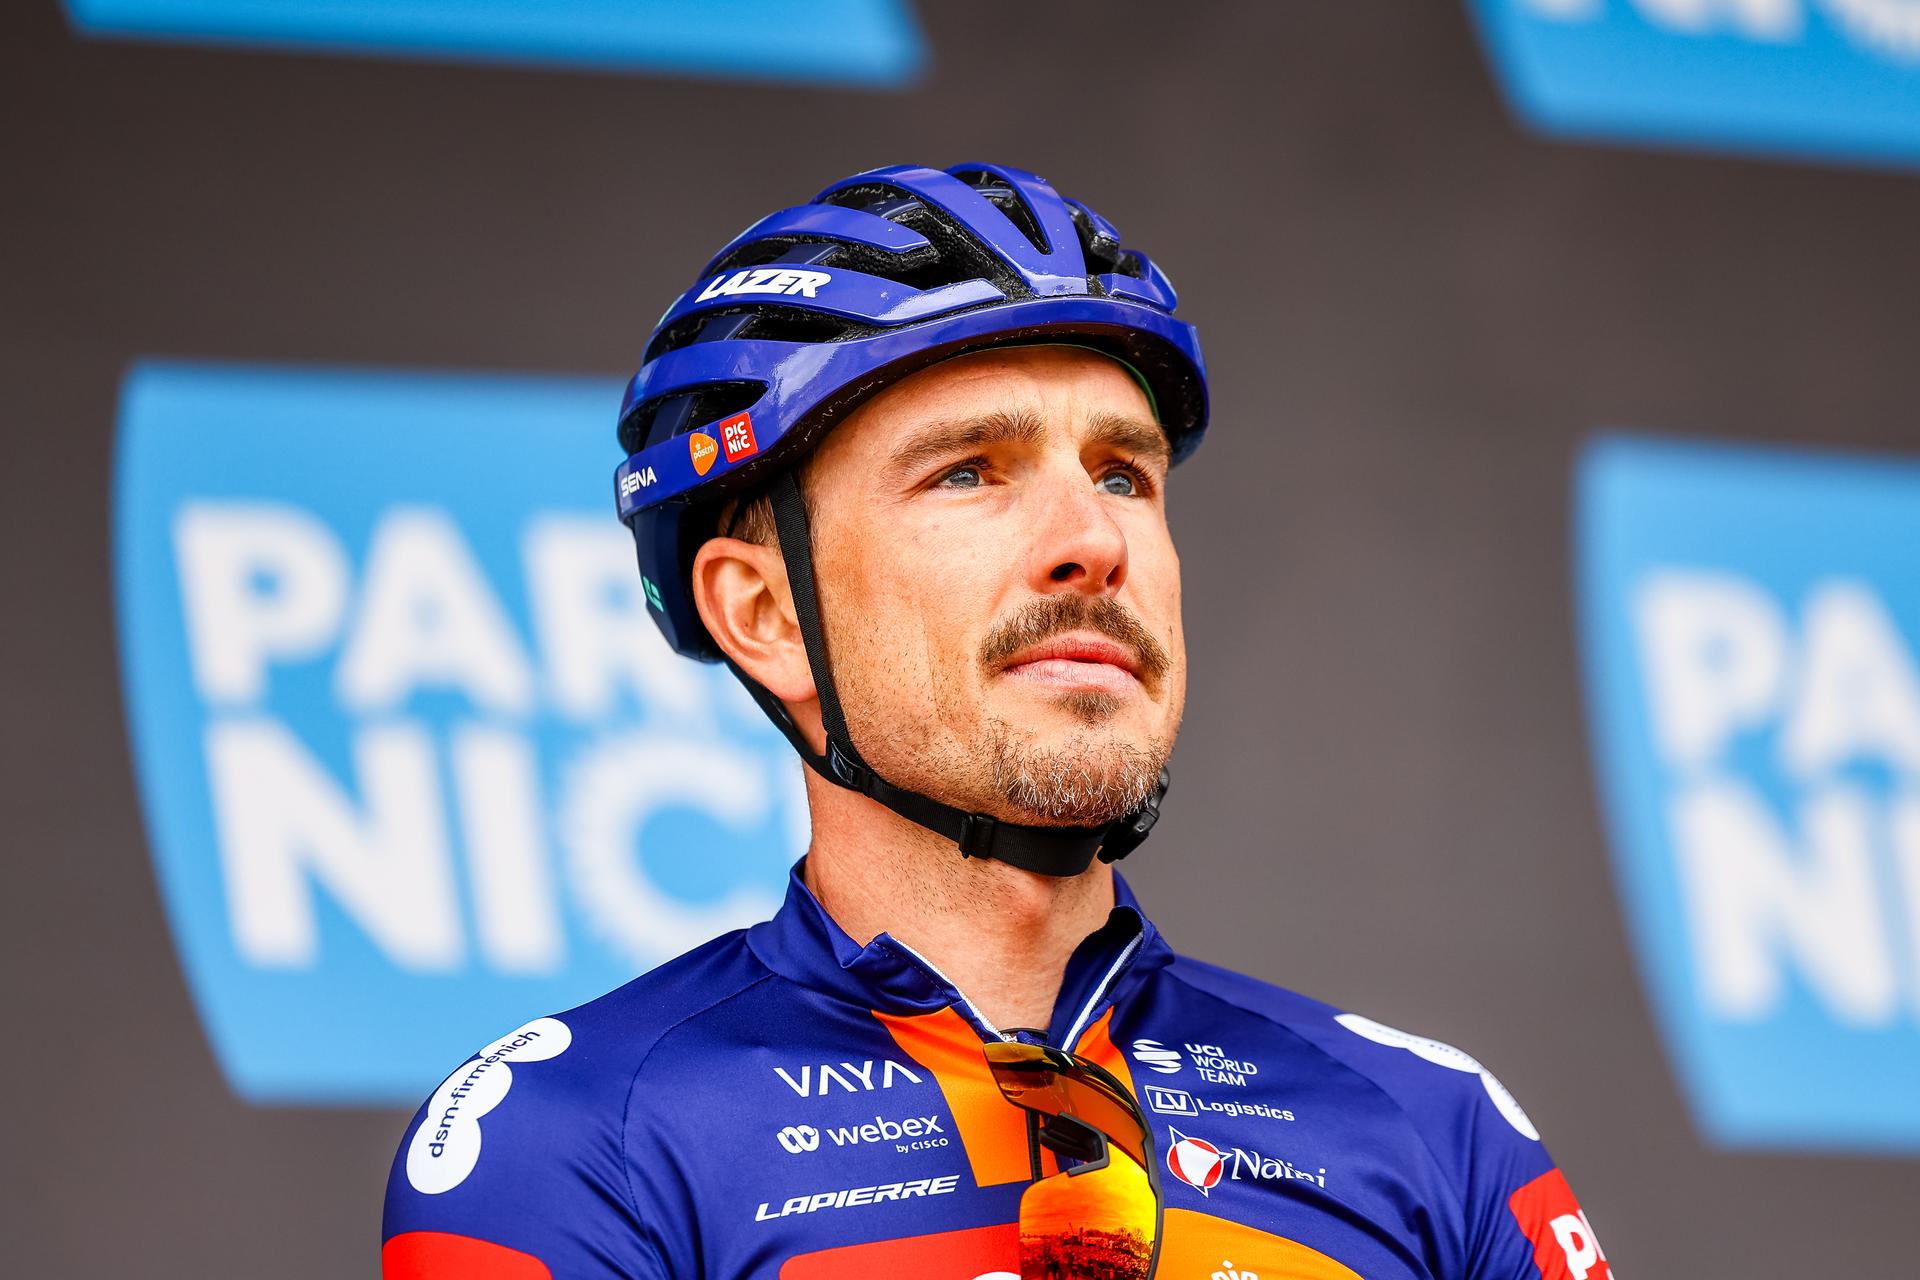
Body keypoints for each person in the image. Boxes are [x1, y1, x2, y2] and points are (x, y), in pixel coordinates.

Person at [381, 162, 1611, 1280]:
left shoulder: (1435, 1131)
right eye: (968, 470)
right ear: (766, 614)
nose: (1094, 540)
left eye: (1123, 472)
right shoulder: (576, 1142)